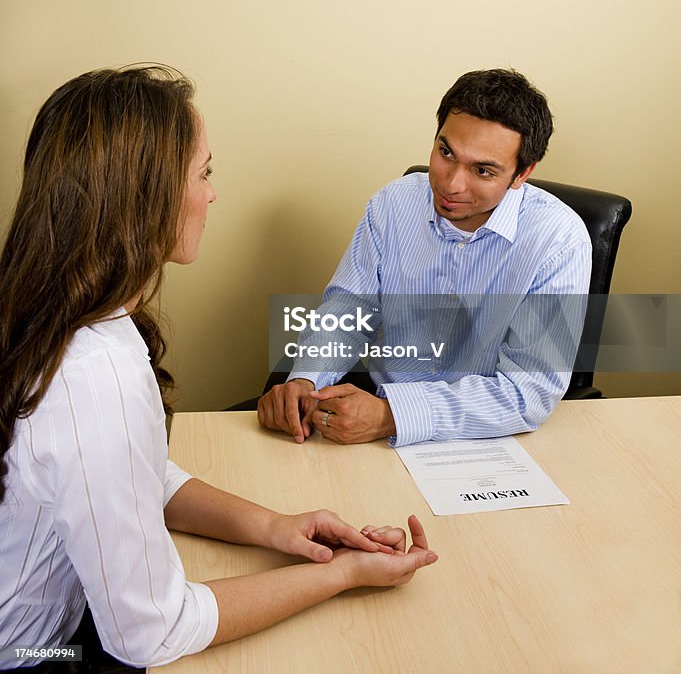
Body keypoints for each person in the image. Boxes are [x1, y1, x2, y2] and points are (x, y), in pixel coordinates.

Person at [0, 66, 437, 672]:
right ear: (143, 197)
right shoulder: (93, 379)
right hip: (33, 650)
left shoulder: (74, 311)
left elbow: (135, 476)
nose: (212, 193)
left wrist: (278, 528)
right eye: (203, 173)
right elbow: (151, 633)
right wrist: (345, 574)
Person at [258, 68, 592, 448]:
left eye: (483, 170)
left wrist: (391, 416)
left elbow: (528, 392)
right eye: (446, 152)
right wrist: (307, 380)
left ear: (523, 174)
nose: (451, 184)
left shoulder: (560, 240)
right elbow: (350, 310)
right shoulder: (392, 203)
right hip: (374, 429)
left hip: (488, 439)